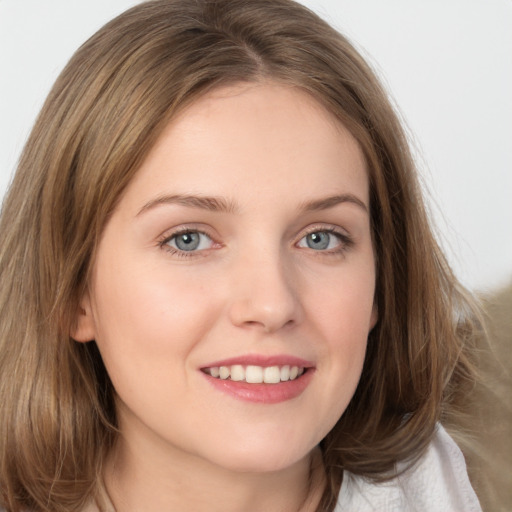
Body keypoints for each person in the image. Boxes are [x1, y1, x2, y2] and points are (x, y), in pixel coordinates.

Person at [0, 1, 485, 511]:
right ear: (74, 291)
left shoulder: (433, 489)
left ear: (381, 285)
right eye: (188, 239)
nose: (272, 304)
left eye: (321, 238)